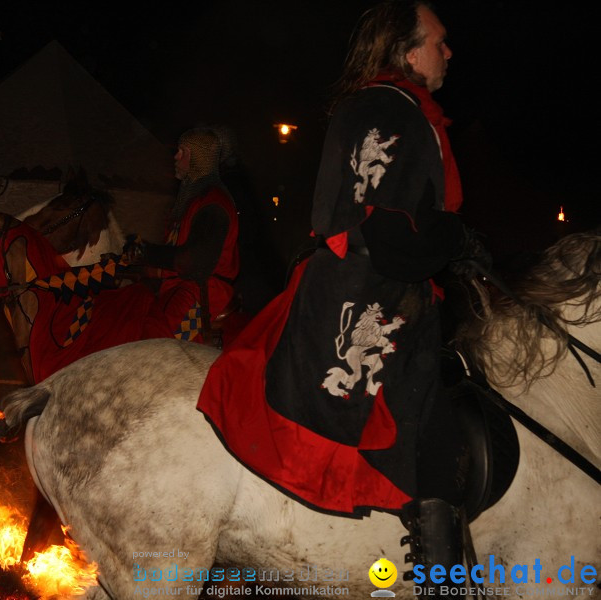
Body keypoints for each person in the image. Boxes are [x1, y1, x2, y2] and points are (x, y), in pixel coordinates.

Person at [197, 3, 487, 597]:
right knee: (433, 426)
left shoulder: (375, 105)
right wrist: (454, 238)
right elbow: (388, 234)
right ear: (409, 53)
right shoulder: (394, 110)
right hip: (372, 295)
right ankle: (443, 584)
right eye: (439, 41)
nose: (448, 52)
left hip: (353, 283)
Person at [126, 127, 240, 345]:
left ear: (198, 157)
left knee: (154, 342)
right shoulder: (191, 201)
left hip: (202, 292)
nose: (176, 157)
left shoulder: (213, 203)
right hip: (179, 286)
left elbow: (192, 262)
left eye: (181, 151)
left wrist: (144, 252)